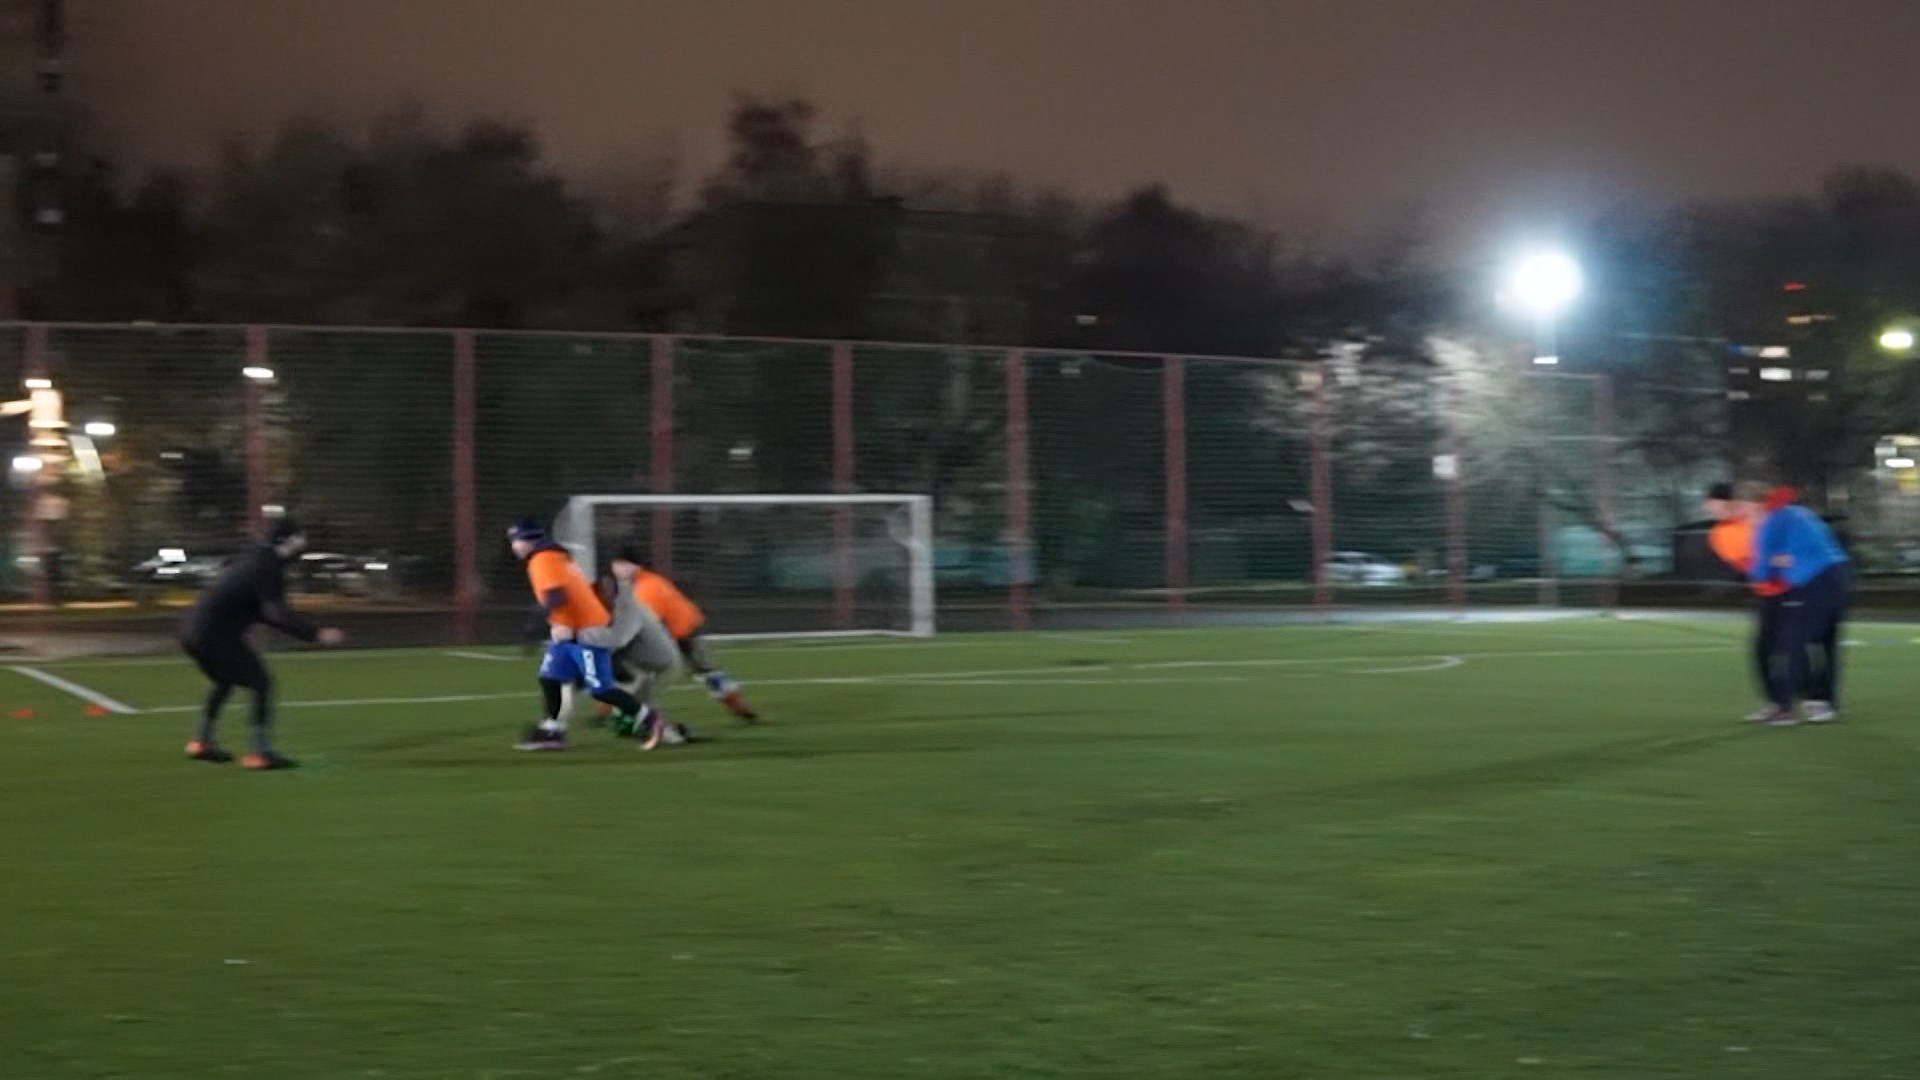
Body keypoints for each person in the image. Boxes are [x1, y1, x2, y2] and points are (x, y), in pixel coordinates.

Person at [180, 517, 346, 770]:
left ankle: (201, 742)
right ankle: (260, 753)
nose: (303, 545)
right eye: (300, 539)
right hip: (215, 635)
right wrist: (316, 634)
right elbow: (274, 613)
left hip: (192, 631)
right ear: (286, 541)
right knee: (262, 683)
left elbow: (255, 607)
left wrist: (305, 630)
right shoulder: (268, 566)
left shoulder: (254, 559)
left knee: (225, 681)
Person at [509, 518, 655, 751]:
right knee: (550, 678)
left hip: (587, 630)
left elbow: (556, 596)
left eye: (517, 540)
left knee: (601, 689)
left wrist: (534, 625)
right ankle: (552, 731)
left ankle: (649, 719)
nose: (514, 545)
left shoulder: (543, 559)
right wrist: (557, 624)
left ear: (529, 540)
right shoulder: (553, 557)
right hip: (570, 630)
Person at [559, 551, 692, 749]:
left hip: (657, 668)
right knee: (625, 719)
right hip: (636, 663)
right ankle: (556, 727)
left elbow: (617, 641)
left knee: (631, 718)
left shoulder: (627, 607)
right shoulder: (606, 601)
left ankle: (671, 734)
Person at [1748, 486, 1851, 725]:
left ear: (1755, 506)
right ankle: (1824, 702)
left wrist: (1773, 561)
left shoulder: (1770, 521)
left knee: (1793, 640)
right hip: (1839, 576)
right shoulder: (1800, 513)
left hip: (1812, 583)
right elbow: (1818, 546)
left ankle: (1785, 708)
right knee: (1825, 641)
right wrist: (1783, 558)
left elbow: (1761, 571)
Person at [628, 555, 760, 722]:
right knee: (706, 670)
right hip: (689, 627)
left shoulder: (644, 588)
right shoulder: (654, 581)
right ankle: (738, 705)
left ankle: (629, 713)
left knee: (635, 671)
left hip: (676, 631)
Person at [1702, 482, 1789, 722]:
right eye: (1711, 504)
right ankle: (1778, 703)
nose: (1711, 508)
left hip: (1791, 588)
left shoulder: (1756, 519)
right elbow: (1751, 564)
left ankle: (1806, 701)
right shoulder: (1719, 534)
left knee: (1791, 647)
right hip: (1767, 592)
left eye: (1717, 503)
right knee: (1763, 650)